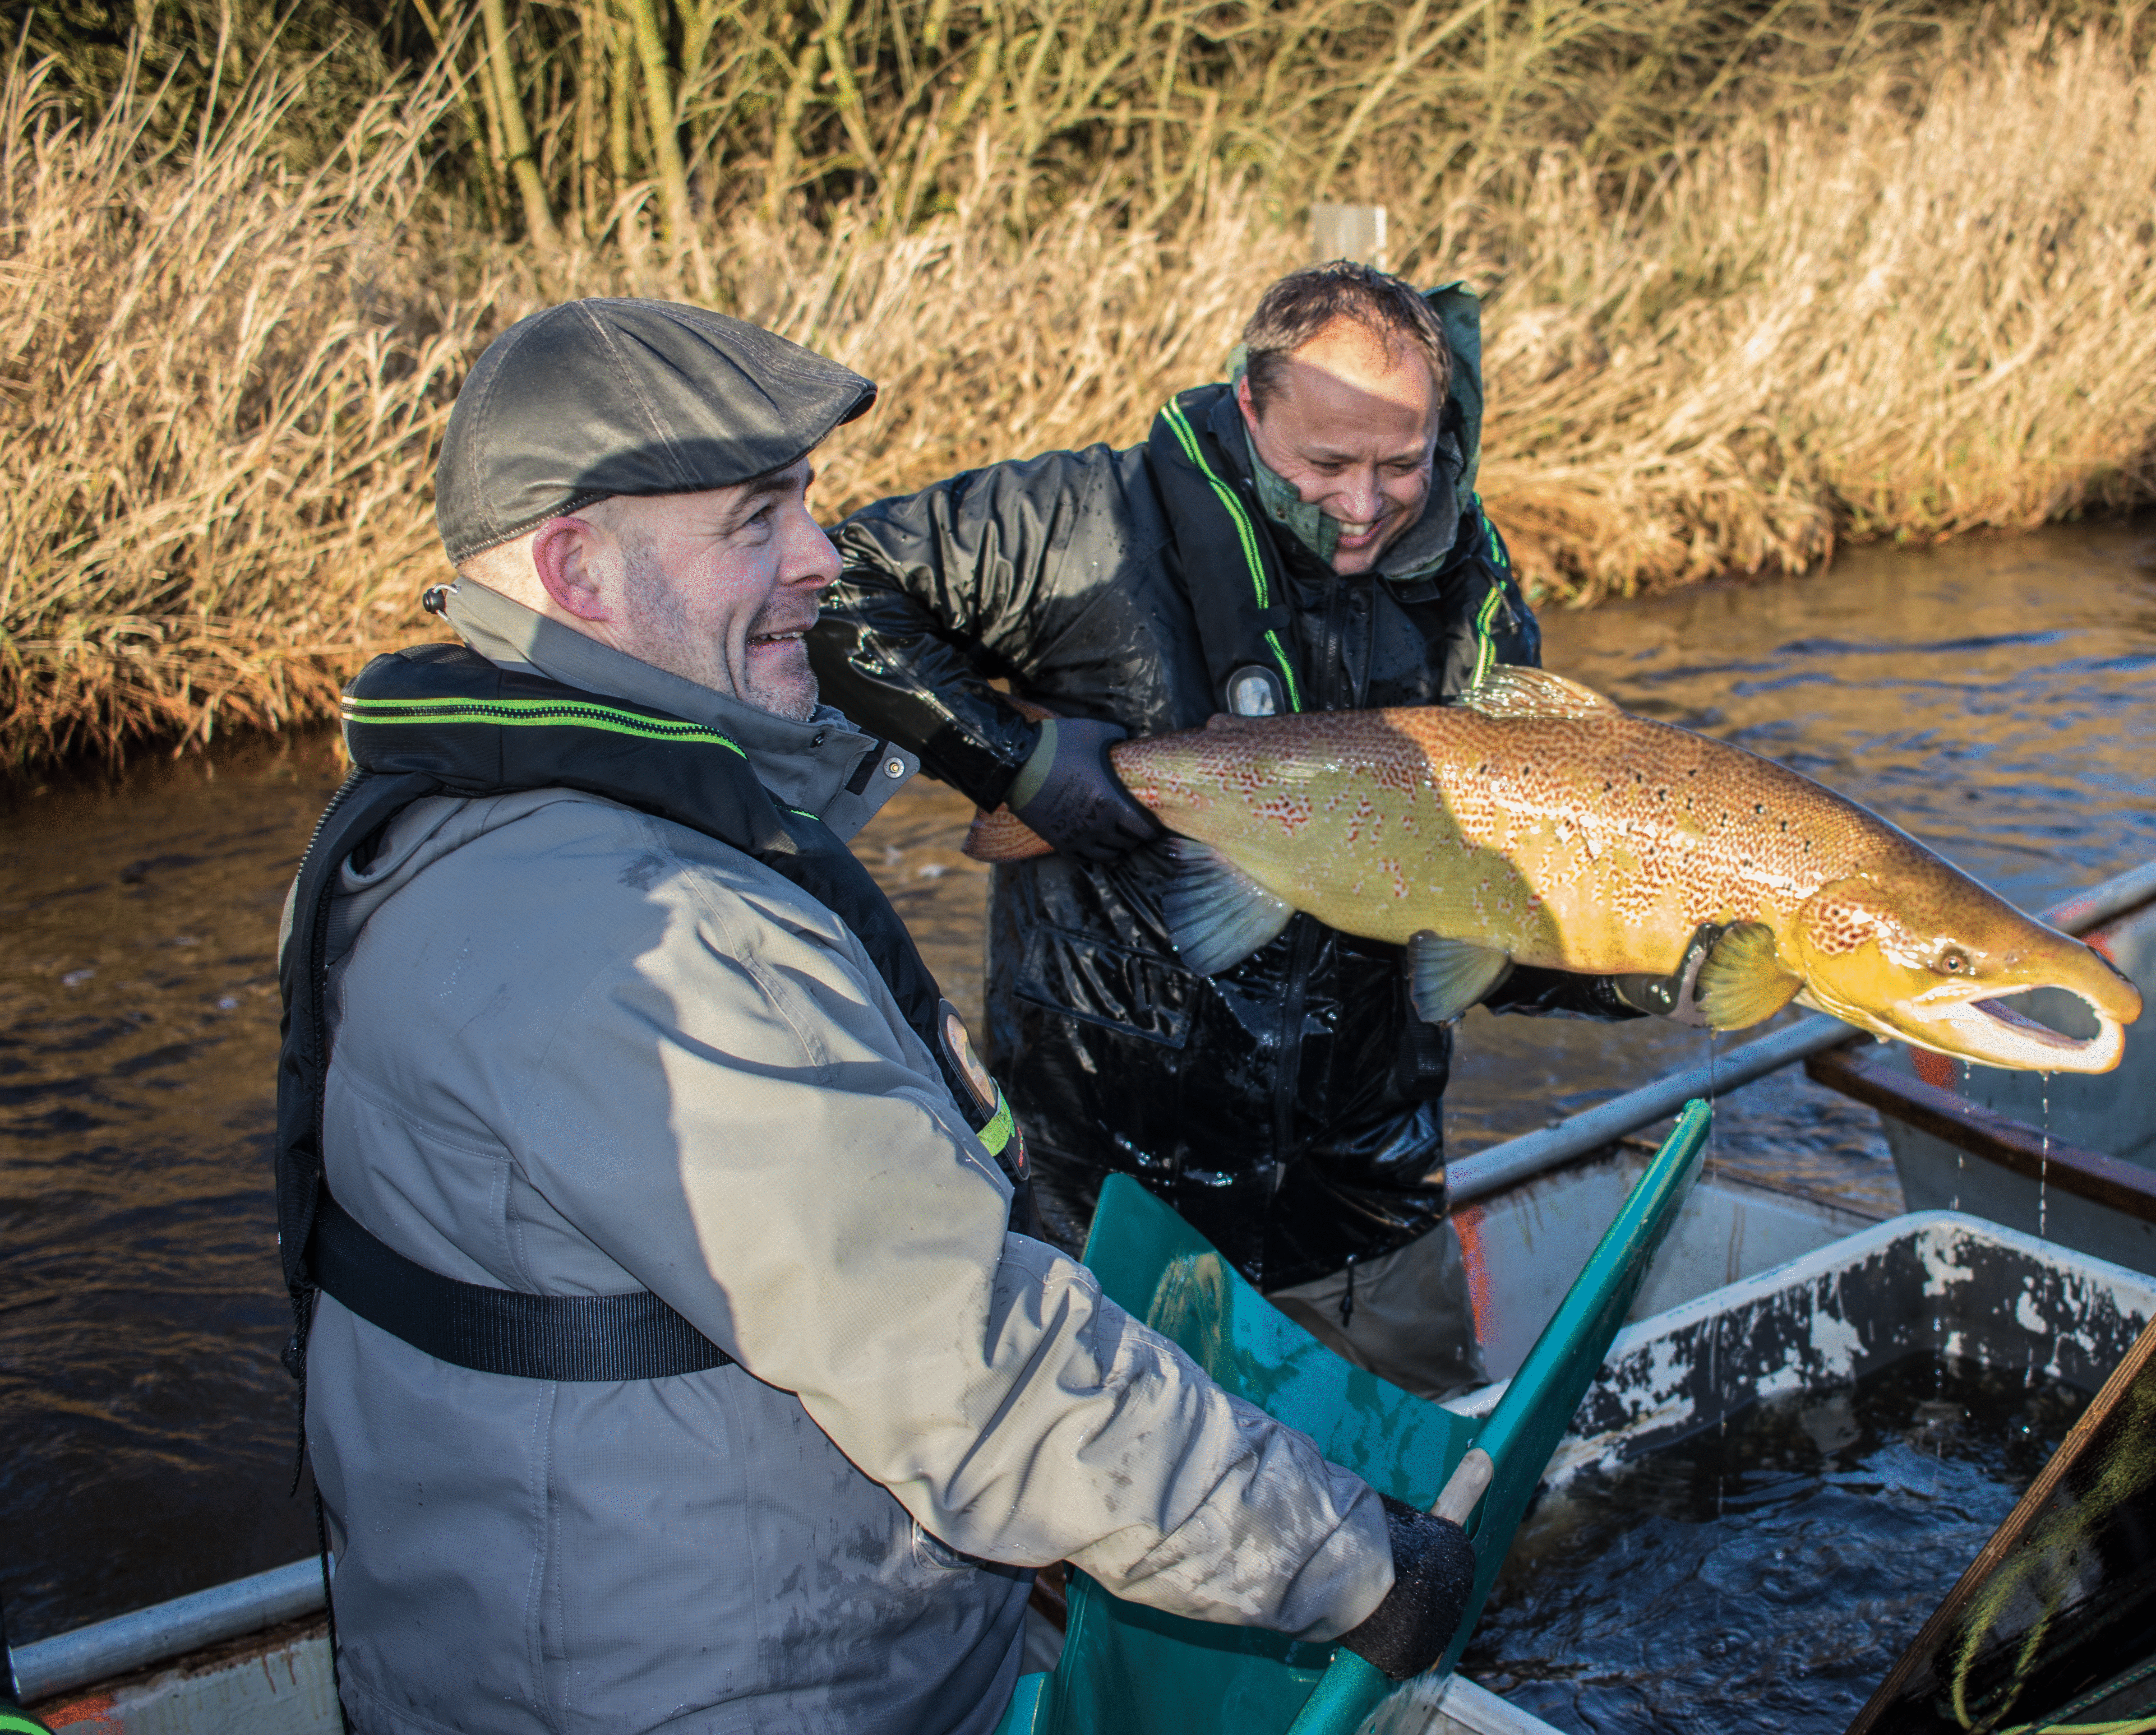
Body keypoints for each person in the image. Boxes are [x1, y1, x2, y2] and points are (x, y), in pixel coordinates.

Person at [277, 297, 1473, 1734]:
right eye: (754, 523)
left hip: (590, 1642)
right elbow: (974, 1374)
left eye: (806, 507)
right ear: (573, 568)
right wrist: (1361, 1569)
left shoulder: (429, 821)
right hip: (725, 1693)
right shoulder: (651, 934)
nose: (822, 558)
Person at [811, 263, 1698, 1400]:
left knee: (1428, 1498)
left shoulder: (1470, 590)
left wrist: (1644, 972)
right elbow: (837, 589)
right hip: (1116, 1186)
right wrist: (1014, 762)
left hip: (1370, 1198)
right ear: (1248, 405)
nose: (1368, 504)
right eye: (1326, 464)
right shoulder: (1083, 523)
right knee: (1143, 1518)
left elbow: (1488, 914)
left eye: (1403, 463)